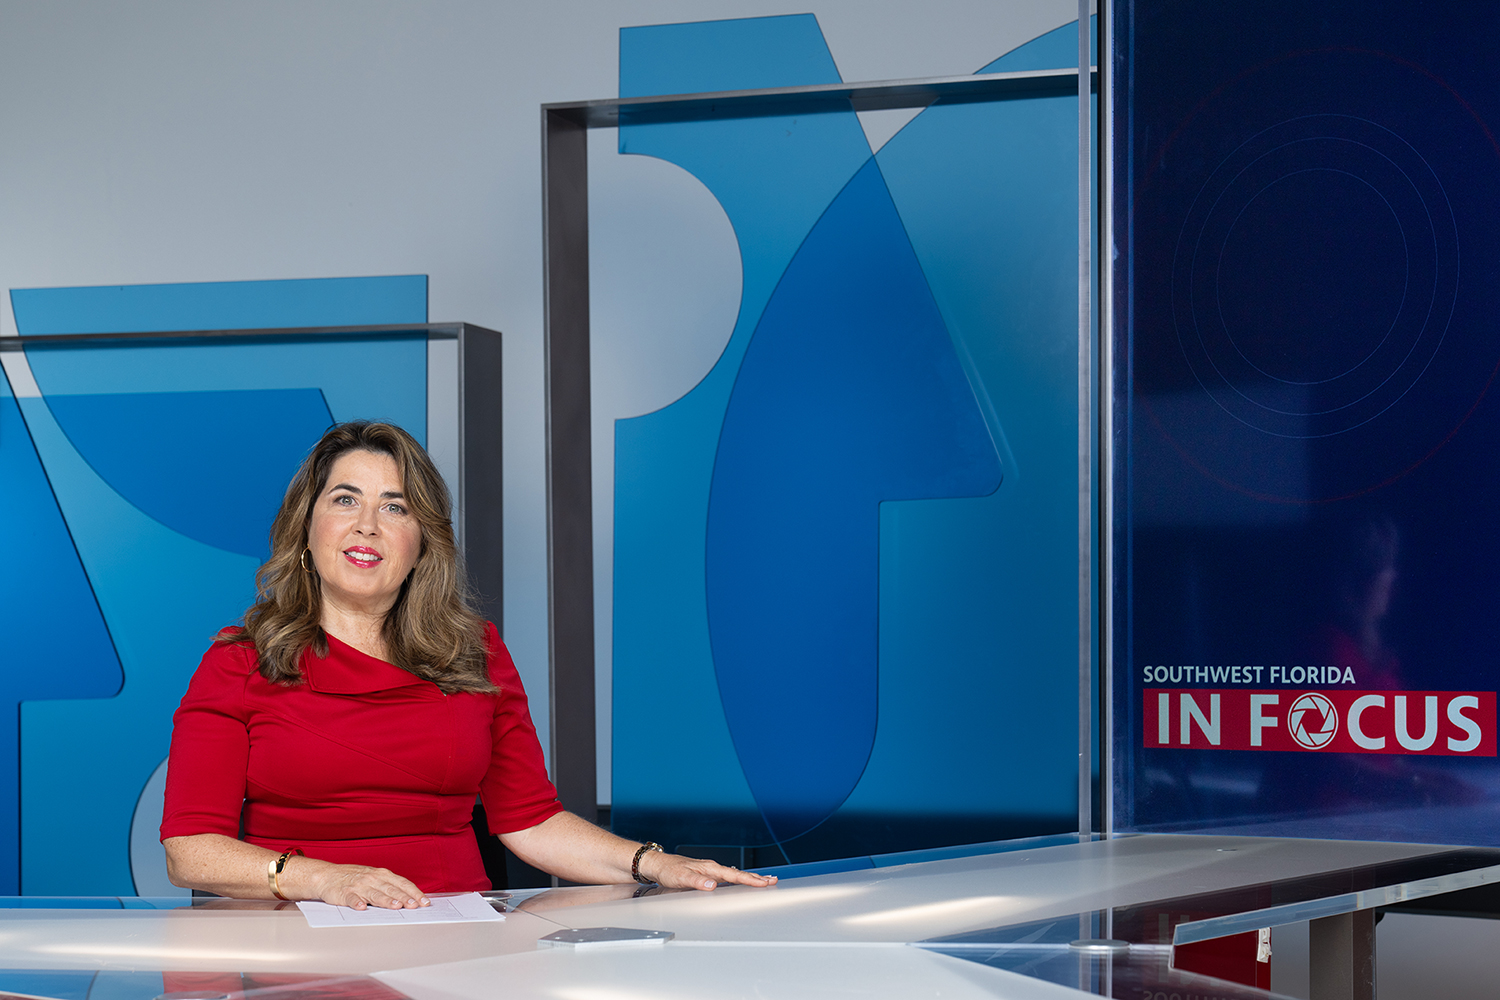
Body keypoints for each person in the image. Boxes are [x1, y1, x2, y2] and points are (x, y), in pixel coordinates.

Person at [161, 421, 775, 909]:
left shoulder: (473, 650)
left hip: (456, 933)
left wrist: (654, 863)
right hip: (291, 937)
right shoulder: (239, 661)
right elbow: (190, 852)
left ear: (422, 541)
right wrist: (325, 880)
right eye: (345, 499)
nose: (368, 525)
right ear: (307, 528)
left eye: (395, 508)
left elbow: (531, 822)